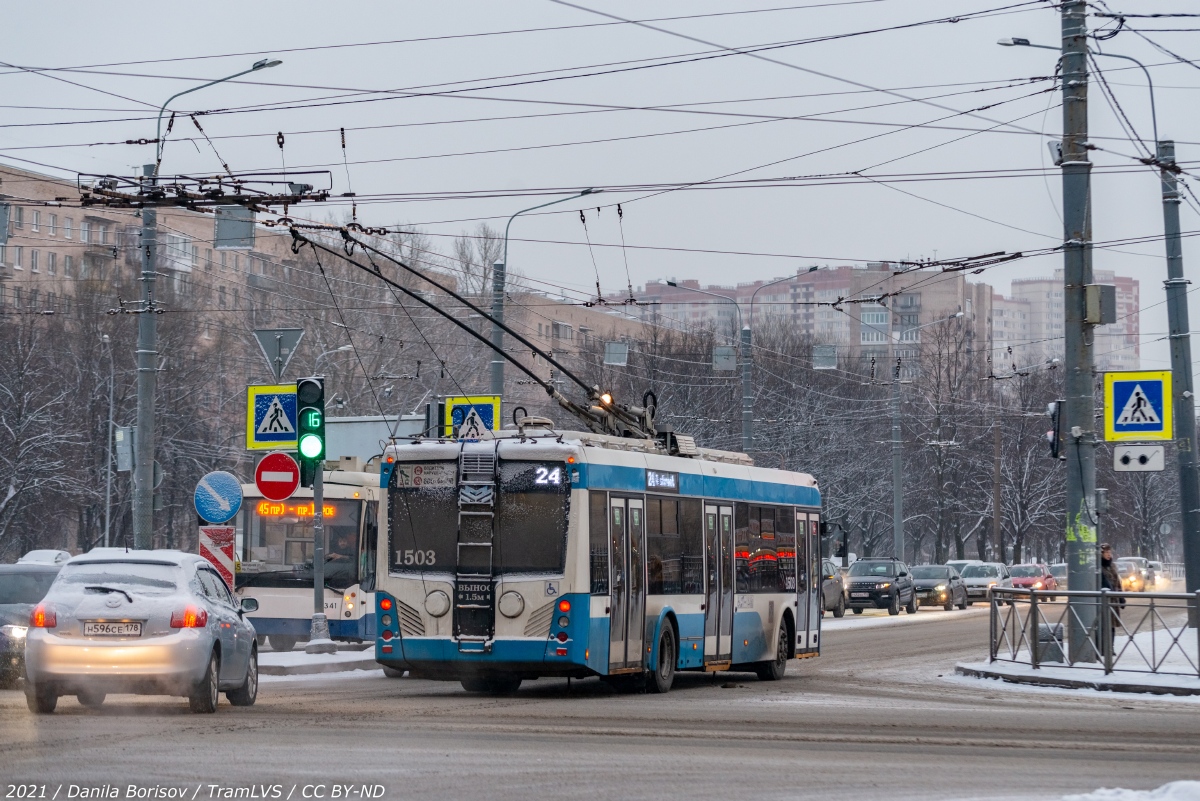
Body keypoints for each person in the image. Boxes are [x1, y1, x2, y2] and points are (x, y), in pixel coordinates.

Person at [1100, 543, 1125, 646]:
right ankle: (1104, 647)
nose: (1109, 554)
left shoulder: (1112, 565)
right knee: (1104, 624)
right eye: (1106, 552)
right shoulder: (1099, 567)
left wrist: (1121, 597)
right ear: (1101, 554)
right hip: (1103, 600)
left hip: (1113, 600)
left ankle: (1111, 647)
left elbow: (1117, 582)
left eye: (1110, 552)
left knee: (1112, 625)